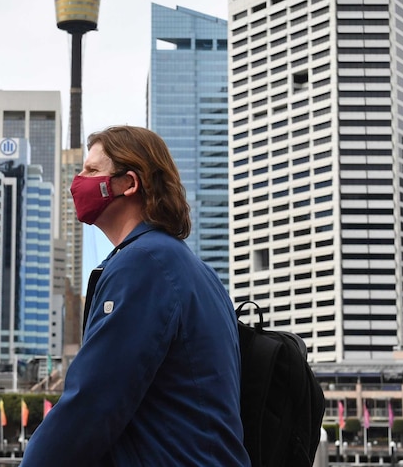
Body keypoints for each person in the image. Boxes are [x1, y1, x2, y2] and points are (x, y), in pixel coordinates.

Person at [21, 126, 250, 467]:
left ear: (129, 183)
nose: (77, 181)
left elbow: (92, 402)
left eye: (92, 171)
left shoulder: (144, 264)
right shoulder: (194, 269)